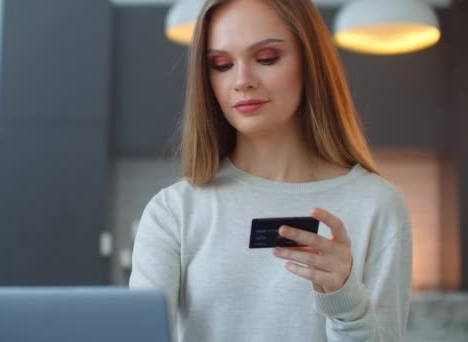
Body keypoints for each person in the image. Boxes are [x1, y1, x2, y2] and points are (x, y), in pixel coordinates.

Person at [129, 0, 413, 341]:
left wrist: (344, 300)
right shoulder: (173, 212)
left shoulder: (377, 205)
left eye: (266, 58)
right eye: (221, 64)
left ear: (310, 64)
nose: (242, 81)